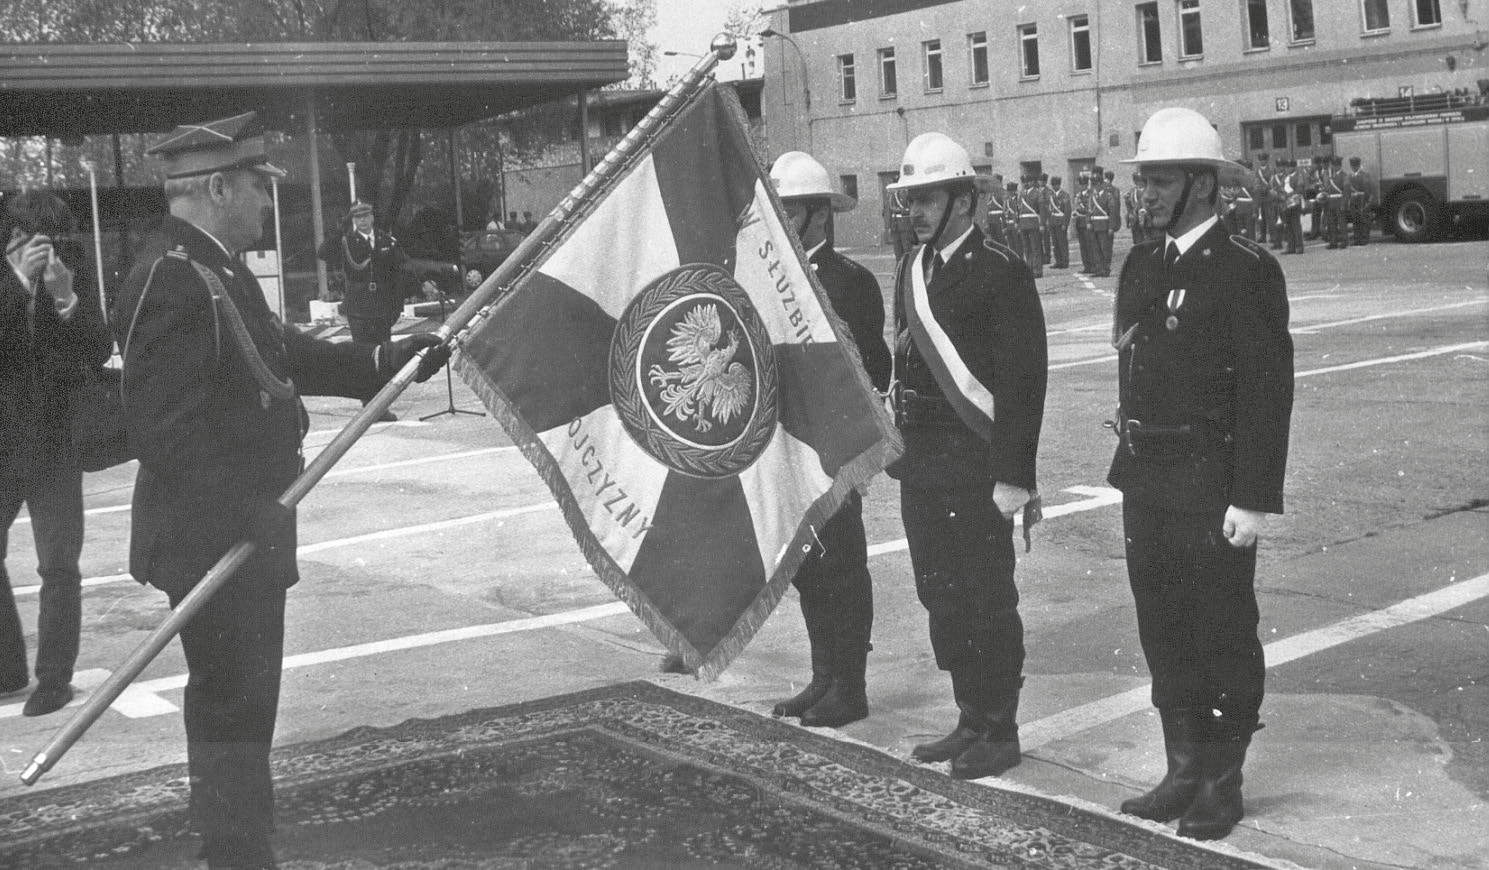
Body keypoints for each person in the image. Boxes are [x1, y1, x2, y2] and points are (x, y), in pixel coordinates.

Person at [116, 111, 449, 869]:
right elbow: (162, 433)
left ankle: (240, 841)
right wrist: (246, 512)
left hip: (247, 527)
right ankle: (236, 853)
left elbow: (280, 352)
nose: (268, 205)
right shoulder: (171, 279)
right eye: (257, 190)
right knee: (231, 703)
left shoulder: (216, 267)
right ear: (214, 187)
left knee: (245, 702)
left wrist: (382, 361)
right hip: (216, 535)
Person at [1111, 106, 1293, 841]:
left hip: (1210, 483)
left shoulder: (1246, 270)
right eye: (1143, 180)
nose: (1144, 194)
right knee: (1162, 626)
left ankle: (1221, 778)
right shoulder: (1140, 264)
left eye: (1157, 180)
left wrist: (1252, 498)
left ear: (1199, 184)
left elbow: (1266, 389)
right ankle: (1182, 767)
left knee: (1221, 629)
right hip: (1146, 476)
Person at [884, 132, 1047, 781]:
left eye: (925, 199)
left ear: (961, 200)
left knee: (985, 595)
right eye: (909, 201)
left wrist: (1015, 473)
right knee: (938, 592)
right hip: (921, 465)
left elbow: (1024, 380)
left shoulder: (1000, 270)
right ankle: (968, 714)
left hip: (975, 465)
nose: (913, 212)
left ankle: (999, 727)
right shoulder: (910, 270)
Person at [766, 151, 891, 728]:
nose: (781, 221)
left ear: (819, 216)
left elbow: (874, 365)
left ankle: (851, 684)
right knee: (808, 567)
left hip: (834, 449)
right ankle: (823, 676)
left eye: (789, 211)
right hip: (787, 443)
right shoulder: (767, 279)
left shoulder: (850, 281)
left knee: (842, 563)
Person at [0, 191, 112, 717]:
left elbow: (98, 348)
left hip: (54, 438)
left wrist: (66, 299)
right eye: (28, 238)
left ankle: (54, 678)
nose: (41, 249)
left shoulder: (69, 272)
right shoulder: (7, 278)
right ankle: (6, 667)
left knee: (58, 564)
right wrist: (18, 284)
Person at [317, 200, 408, 422]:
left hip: (382, 306)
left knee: (383, 355)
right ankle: (369, 405)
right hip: (359, 307)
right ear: (353, 221)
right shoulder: (347, 241)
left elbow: (397, 274)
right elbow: (322, 252)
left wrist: (397, 306)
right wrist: (341, 228)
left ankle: (381, 405)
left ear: (372, 217)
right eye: (357, 218)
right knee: (363, 356)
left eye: (365, 216)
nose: (363, 221)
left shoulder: (387, 240)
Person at [1348, 156, 1374, 246]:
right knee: (1355, 220)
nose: (1353, 167)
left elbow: (1369, 189)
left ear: (1358, 166)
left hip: (1362, 200)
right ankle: (1357, 239)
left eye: (1355, 166)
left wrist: (1368, 202)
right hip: (1354, 200)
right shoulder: (1350, 176)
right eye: (1352, 166)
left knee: (1363, 220)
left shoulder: (1364, 175)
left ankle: (1364, 239)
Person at [1047, 175, 1071, 270]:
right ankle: (1058, 261)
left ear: (1059, 185)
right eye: (1053, 185)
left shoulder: (1065, 195)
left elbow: (1068, 211)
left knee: (1062, 243)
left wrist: (1065, 224)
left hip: (1061, 222)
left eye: (1056, 185)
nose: (1054, 187)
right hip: (1053, 222)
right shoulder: (1051, 196)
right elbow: (1049, 210)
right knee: (1055, 243)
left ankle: (1065, 261)